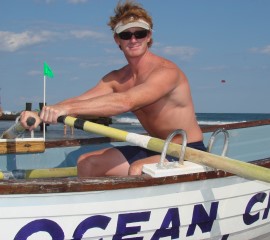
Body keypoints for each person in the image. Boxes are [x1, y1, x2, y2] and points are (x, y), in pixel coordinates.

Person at [20, 0, 206, 177]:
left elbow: (126, 101)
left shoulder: (166, 72)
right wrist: (42, 112)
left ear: (149, 36)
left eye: (139, 33)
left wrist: (66, 109)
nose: (133, 39)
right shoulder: (117, 78)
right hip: (156, 147)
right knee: (87, 162)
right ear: (117, 39)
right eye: (126, 35)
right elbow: (81, 100)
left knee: (138, 169)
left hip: (188, 150)